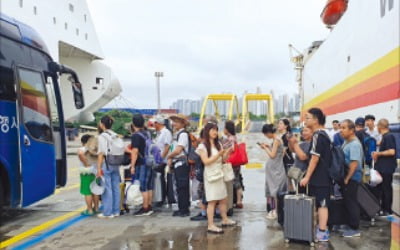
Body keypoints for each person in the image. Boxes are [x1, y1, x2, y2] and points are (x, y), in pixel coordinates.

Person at [196, 122, 236, 234]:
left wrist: (228, 152)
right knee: (212, 201)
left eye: (216, 130)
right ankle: (210, 225)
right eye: (212, 130)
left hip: (220, 173)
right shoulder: (202, 146)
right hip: (211, 175)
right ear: (207, 131)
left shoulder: (218, 143)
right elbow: (206, 162)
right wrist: (219, 154)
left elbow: (223, 159)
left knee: (223, 199)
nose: (214, 132)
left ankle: (225, 219)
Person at [300, 108, 332, 242]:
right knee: (321, 203)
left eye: (307, 118)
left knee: (322, 204)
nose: (305, 120)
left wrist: (307, 177)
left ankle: (323, 231)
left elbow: (314, 158)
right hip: (324, 175)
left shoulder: (318, 135)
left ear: (316, 120)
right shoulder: (326, 134)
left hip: (321, 176)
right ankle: (321, 228)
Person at [340, 119, 363, 237]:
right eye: (341, 127)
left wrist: (347, 178)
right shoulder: (347, 142)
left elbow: (354, 164)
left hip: (352, 178)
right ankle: (349, 223)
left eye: (344, 128)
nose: (341, 130)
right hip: (347, 177)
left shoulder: (354, 144)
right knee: (347, 201)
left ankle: (355, 228)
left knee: (352, 202)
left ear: (352, 130)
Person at [260, 124, 287, 220]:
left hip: (274, 167)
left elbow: (272, 155)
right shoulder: (279, 139)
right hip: (277, 166)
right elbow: (280, 153)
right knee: (275, 188)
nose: (266, 136)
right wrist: (269, 146)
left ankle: (275, 211)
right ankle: (275, 210)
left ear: (268, 133)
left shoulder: (276, 140)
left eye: (265, 134)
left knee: (275, 189)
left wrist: (265, 148)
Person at [96, 115, 121, 219]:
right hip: (116, 163)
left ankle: (107, 212)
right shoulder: (115, 135)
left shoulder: (102, 136)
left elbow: (101, 153)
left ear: (102, 124)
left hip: (107, 163)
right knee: (116, 187)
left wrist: (98, 168)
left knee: (107, 188)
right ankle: (116, 211)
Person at [167, 114, 191, 217]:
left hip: (181, 163)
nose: (174, 124)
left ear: (182, 123)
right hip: (180, 163)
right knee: (181, 186)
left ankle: (184, 209)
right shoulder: (180, 134)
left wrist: (169, 156)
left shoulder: (182, 135)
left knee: (182, 186)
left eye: (176, 121)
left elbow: (178, 150)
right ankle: (182, 207)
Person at [130, 114, 154, 216]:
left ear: (133, 123)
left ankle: (145, 208)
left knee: (143, 186)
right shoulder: (147, 133)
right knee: (149, 185)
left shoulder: (136, 135)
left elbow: (135, 151)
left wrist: (132, 166)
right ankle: (149, 205)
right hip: (149, 161)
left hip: (141, 163)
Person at [372, 118, 397, 216]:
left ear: (380, 127)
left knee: (386, 188)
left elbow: (391, 151)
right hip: (383, 167)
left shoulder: (389, 137)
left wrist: (378, 153)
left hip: (386, 168)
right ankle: (383, 208)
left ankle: (387, 209)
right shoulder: (385, 137)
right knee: (382, 188)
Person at [223, 120, 244, 210]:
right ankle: (238, 200)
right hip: (236, 163)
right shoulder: (234, 137)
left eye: (224, 128)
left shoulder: (230, 138)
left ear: (227, 129)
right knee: (237, 180)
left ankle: (238, 200)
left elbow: (232, 148)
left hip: (232, 162)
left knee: (234, 181)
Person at [77, 134, 99, 216]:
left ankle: (89, 210)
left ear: (82, 142)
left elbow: (80, 154)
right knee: (95, 191)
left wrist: (86, 163)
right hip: (95, 172)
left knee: (87, 192)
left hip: (86, 173)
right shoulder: (95, 149)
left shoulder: (82, 148)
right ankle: (96, 208)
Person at [153, 115, 172, 206]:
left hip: (161, 160)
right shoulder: (159, 133)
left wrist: (161, 158)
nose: (153, 125)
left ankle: (162, 198)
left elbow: (167, 146)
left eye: (155, 123)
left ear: (158, 123)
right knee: (159, 179)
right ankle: (159, 197)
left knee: (160, 179)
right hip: (157, 159)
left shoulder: (166, 132)